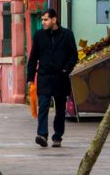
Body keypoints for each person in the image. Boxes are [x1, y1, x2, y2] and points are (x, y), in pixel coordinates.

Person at [25, 8, 77, 148]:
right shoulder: (39, 35)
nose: (43, 22)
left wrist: (66, 68)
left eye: (46, 19)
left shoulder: (67, 34)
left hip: (61, 76)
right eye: (42, 20)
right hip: (44, 76)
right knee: (43, 105)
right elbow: (33, 57)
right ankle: (42, 134)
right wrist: (30, 77)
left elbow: (73, 55)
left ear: (54, 19)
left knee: (60, 108)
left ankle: (57, 135)